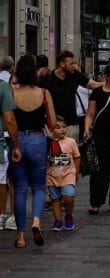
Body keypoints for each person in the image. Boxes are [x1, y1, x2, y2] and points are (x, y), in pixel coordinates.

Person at [11, 54, 56, 247]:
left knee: (20, 189)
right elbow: (52, 123)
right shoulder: (44, 93)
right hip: (38, 140)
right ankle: (36, 221)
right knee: (38, 188)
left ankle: (21, 237)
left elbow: (9, 120)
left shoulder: (12, 93)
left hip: (18, 139)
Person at [84, 64, 110, 214]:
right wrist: (87, 128)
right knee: (99, 168)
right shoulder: (97, 92)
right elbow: (90, 113)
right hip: (100, 134)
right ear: (106, 77)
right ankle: (96, 201)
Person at [44, 50, 103, 141]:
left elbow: (93, 85)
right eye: (71, 63)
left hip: (71, 125)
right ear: (62, 64)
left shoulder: (75, 75)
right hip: (54, 126)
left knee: (72, 153)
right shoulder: (48, 79)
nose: (74, 66)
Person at [47, 117, 80, 231]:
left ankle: (69, 215)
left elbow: (77, 157)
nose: (62, 130)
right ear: (51, 130)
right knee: (55, 199)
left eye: (64, 127)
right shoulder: (48, 143)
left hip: (68, 175)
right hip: (52, 176)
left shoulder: (71, 142)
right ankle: (58, 221)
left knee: (68, 196)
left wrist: (76, 172)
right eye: (58, 127)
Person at [0, 73, 20, 233]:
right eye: (14, 83)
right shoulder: (5, 93)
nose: (16, 86)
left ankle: (11, 215)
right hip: (5, 140)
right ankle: (4, 215)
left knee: (12, 181)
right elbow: (8, 120)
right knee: (4, 181)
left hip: (10, 141)